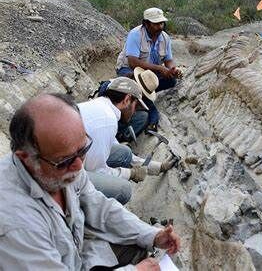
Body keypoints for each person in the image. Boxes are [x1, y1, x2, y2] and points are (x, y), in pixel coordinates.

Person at [0, 93, 180, 270]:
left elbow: (100, 207)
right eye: (64, 161)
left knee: (138, 243)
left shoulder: (63, 167)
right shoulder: (16, 225)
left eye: (83, 149)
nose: (79, 166)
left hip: (79, 255)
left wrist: (152, 235)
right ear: (26, 158)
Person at [79, 77, 177, 204]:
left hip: (68, 161)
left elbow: (123, 154)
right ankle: (86, 219)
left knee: (123, 152)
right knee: (123, 190)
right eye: (135, 106)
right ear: (126, 100)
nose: (134, 111)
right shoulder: (106, 120)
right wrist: (130, 173)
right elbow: (96, 171)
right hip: (61, 178)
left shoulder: (101, 106)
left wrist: (158, 167)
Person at [116, 7, 183, 92]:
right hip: (128, 69)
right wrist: (160, 68)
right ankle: (141, 93)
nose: (160, 27)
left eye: (161, 23)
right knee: (134, 84)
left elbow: (168, 60)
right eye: (156, 24)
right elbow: (133, 63)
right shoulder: (135, 34)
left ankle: (146, 92)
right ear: (146, 24)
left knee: (171, 81)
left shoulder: (165, 37)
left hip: (150, 71)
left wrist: (172, 70)